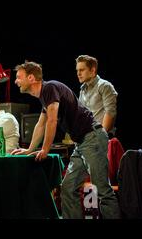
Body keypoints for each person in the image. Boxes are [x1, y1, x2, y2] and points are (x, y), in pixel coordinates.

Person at [11, 61, 120, 219]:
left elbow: (52, 121)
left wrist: (45, 149)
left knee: (102, 190)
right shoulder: (45, 96)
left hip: (92, 137)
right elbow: (41, 124)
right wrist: (29, 149)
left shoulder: (49, 87)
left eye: (19, 77)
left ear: (31, 77)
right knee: (68, 189)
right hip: (81, 142)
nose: (16, 81)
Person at [76, 55, 118, 135]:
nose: (78, 73)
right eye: (77, 70)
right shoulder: (82, 90)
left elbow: (110, 112)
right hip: (87, 138)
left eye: (81, 70)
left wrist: (101, 137)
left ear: (92, 70)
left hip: (102, 138)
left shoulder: (105, 86)